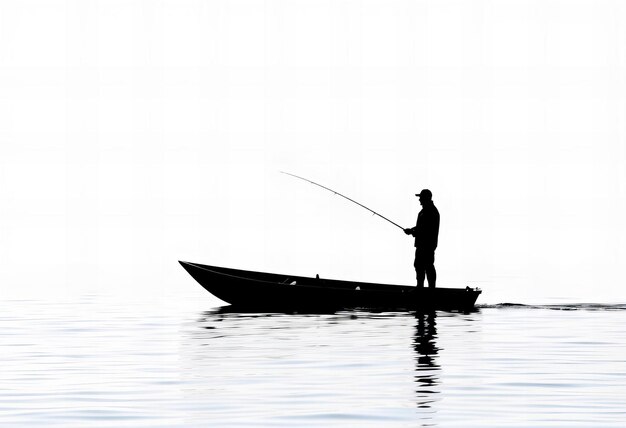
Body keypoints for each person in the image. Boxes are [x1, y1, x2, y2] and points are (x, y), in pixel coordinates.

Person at [404, 189, 440, 288]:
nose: (419, 199)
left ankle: (430, 289)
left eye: (421, 197)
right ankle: (420, 287)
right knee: (419, 265)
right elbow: (421, 227)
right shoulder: (424, 211)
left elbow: (426, 229)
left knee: (428, 266)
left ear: (426, 198)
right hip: (421, 244)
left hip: (427, 245)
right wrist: (411, 230)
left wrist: (412, 232)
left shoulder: (431, 211)